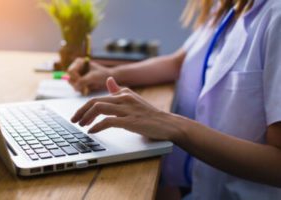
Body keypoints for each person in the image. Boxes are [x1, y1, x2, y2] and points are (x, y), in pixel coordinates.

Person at [68, 0, 281, 199]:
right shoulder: (227, 6)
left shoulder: (275, 16)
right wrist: (109, 74)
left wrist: (172, 125)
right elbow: (180, 61)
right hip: (193, 186)